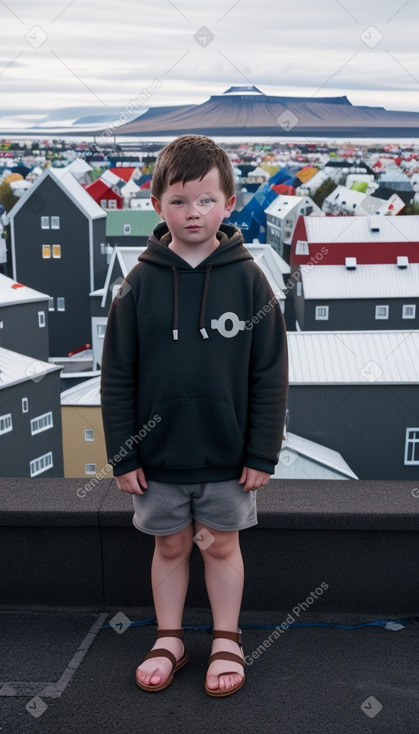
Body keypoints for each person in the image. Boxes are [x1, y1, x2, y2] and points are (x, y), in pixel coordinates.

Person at [101, 134, 288, 697]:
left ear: (229, 204)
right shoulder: (137, 285)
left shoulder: (250, 281)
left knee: (223, 544)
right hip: (157, 459)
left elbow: (269, 374)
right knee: (172, 545)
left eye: (206, 200)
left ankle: (227, 639)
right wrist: (123, 453)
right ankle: (170, 638)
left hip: (228, 458)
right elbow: (116, 377)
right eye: (179, 200)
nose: (193, 212)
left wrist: (261, 452)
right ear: (157, 204)